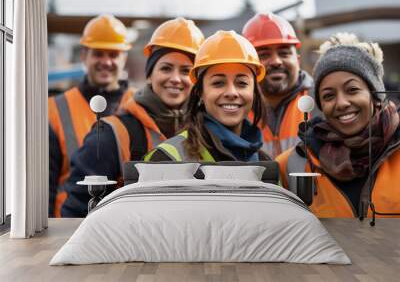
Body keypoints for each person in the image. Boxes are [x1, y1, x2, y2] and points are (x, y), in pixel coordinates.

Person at [60, 17, 205, 217]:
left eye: (186, 71)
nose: (175, 78)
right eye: (166, 68)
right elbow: (77, 211)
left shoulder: (208, 132)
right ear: (149, 74)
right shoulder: (112, 135)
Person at [276, 33, 400, 218]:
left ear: (375, 97)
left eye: (352, 90)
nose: (341, 103)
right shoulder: (291, 166)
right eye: (328, 96)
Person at [49, 14, 134, 217]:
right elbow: (44, 185)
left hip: (125, 226)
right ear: (84, 56)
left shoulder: (139, 106)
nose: (106, 62)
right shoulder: (54, 109)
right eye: (98, 54)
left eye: (113, 54)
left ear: (124, 58)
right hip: (70, 224)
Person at [145, 30, 269, 162]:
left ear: (254, 91)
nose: (231, 92)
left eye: (242, 83)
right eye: (218, 83)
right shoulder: (166, 158)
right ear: (200, 92)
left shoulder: (265, 161)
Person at [242, 13, 314, 159]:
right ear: (247, 65)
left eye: (284, 53)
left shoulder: (318, 102)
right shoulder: (237, 108)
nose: (276, 61)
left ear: (298, 60)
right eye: (264, 55)